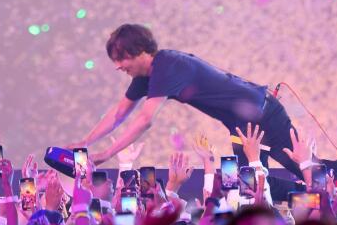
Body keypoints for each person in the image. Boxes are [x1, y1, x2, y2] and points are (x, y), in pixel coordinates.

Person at [71, 23, 305, 178]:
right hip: (243, 126)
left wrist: (106, 154)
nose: (118, 66)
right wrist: (85, 142)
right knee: (245, 185)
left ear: (141, 50)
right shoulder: (147, 76)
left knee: (305, 169)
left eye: (122, 58)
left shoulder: (167, 65)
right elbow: (119, 112)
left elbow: (145, 120)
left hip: (264, 114)